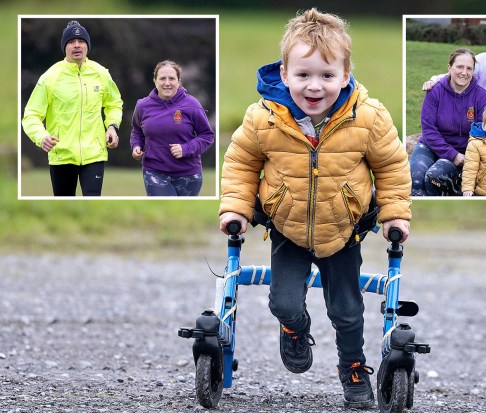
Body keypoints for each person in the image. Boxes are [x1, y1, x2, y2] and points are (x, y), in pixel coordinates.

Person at [218, 8, 411, 408]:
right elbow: (240, 164)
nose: (314, 86)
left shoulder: (368, 117)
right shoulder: (263, 118)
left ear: (344, 75)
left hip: (343, 233)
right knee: (283, 302)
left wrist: (394, 213)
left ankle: (353, 370)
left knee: (347, 313)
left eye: (326, 75)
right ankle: (294, 329)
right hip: (287, 230)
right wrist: (235, 208)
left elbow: (391, 166)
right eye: (303, 75)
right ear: (284, 74)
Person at [22, 20, 123, 196]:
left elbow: (114, 104)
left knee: (92, 205)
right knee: (64, 205)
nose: (77, 45)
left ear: (87, 46)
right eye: (71, 42)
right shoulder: (50, 77)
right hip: (61, 155)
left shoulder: (101, 74)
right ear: (65, 47)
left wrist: (112, 127)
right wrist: (41, 136)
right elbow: (31, 115)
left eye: (81, 41)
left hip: (94, 155)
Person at [410, 48, 486, 196]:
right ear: (449, 67)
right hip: (430, 146)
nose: (464, 72)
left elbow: (481, 133)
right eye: (459, 66)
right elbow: (428, 130)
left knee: (433, 177)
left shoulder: (482, 97)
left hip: (463, 151)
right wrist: (451, 154)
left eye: (469, 68)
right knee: (414, 178)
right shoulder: (434, 91)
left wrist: (463, 156)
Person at [130, 60, 214, 196]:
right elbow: (137, 131)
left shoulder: (192, 104)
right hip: (154, 171)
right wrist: (136, 146)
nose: (167, 83)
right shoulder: (142, 106)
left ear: (179, 81)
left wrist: (186, 149)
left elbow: (207, 136)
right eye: (162, 78)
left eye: (172, 78)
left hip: (189, 173)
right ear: (155, 81)